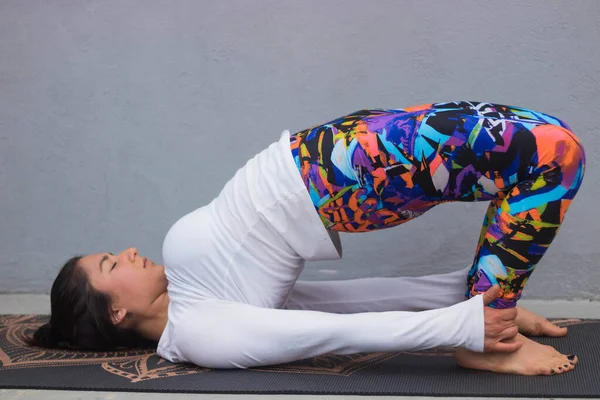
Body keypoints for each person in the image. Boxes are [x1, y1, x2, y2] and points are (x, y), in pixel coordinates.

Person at [31, 101, 585, 376]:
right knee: (552, 155)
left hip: (327, 160)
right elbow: (326, 331)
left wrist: (473, 304)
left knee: (548, 148)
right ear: (117, 312)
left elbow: (337, 299)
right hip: (340, 176)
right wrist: (468, 326)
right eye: (110, 265)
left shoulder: (192, 294)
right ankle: (491, 341)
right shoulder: (201, 333)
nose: (126, 252)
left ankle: (498, 311)